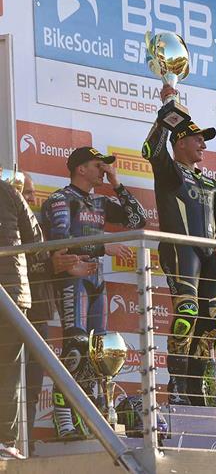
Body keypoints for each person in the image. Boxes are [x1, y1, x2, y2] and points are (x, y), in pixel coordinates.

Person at [142, 88, 216, 406]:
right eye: (199, 138)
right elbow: (151, 149)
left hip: (208, 257)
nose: (203, 144)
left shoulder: (210, 183)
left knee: (213, 323)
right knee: (186, 314)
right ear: (182, 141)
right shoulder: (170, 172)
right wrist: (167, 113)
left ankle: (195, 389)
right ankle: (177, 384)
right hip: (179, 251)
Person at [40, 147, 147, 439]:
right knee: (75, 350)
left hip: (97, 281)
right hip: (71, 280)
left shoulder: (100, 201)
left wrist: (117, 182)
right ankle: (63, 422)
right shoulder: (60, 200)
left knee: (99, 355)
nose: (102, 170)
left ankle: (91, 419)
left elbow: (138, 221)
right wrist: (103, 247)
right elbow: (62, 243)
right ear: (80, 169)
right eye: (98, 166)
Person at [0, 175, 76, 458]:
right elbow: (36, 241)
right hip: (14, 296)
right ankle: (6, 443)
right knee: (7, 370)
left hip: (14, 293)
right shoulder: (9, 192)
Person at [19, 173, 93, 446]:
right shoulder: (8, 227)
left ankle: (23, 447)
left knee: (33, 387)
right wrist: (51, 265)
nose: (31, 198)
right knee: (13, 386)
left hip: (39, 314)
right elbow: (16, 270)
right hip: (14, 318)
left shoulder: (37, 227)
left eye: (32, 192)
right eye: (25, 192)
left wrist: (65, 268)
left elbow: (43, 270)